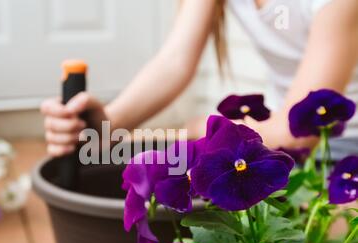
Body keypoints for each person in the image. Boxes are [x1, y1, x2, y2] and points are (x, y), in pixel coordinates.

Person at [41, 0, 358, 159]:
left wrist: (200, 128)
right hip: (276, 136)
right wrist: (108, 125)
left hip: (344, 146)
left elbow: (297, 133)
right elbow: (174, 62)